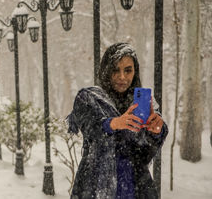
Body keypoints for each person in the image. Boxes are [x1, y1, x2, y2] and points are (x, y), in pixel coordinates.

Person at [67, 43, 168, 199]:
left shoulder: (143, 104)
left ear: (135, 72)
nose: (122, 77)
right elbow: (91, 130)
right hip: (95, 186)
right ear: (106, 70)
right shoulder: (89, 98)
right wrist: (114, 123)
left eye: (128, 70)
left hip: (135, 187)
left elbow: (144, 155)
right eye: (115, 70)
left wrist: (156, 131)